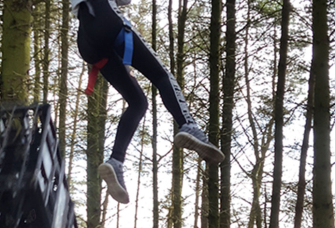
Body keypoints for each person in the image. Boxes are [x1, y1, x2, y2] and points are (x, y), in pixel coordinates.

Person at [71, 0, 225, 204]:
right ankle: (187, 124)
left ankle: (116, 161)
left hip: (86, 39)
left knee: (138, 102)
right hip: (104, 17)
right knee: (161, 76)